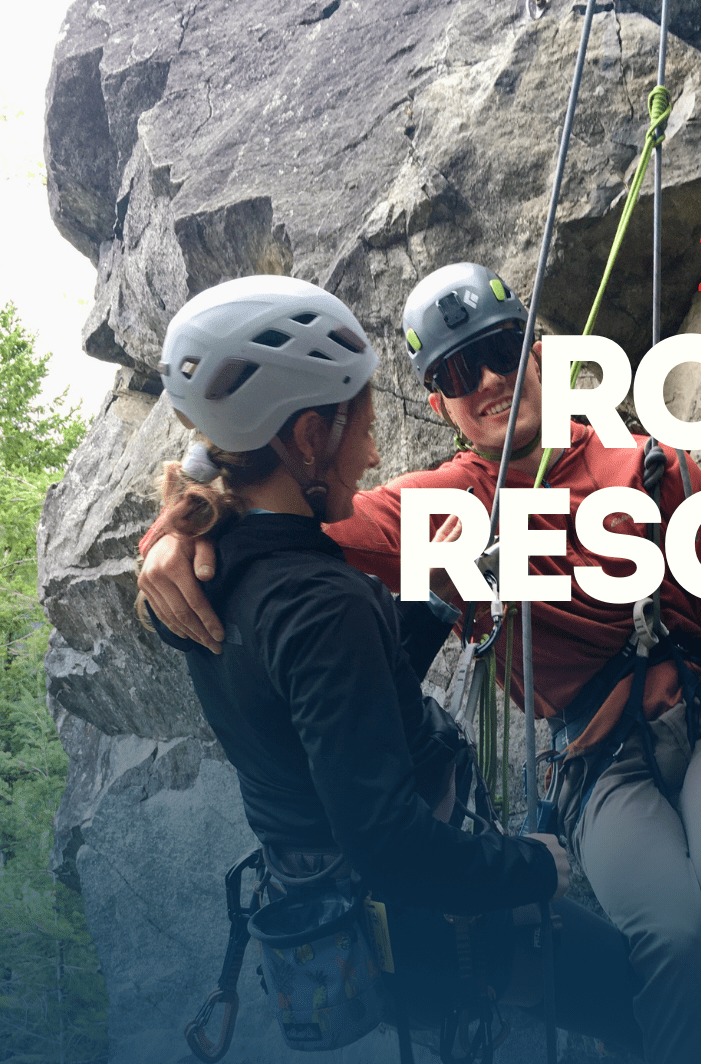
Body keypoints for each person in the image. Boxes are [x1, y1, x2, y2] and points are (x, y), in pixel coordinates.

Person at [141, 264, 701, 1064]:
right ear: (440, 403)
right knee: (671, 932)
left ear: (543, 353)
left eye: (502, 349)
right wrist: (176, 532)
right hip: (599, 758)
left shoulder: (651, 466)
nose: (487, 378)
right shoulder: (439, 509)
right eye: (458, 370)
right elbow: (270, 532)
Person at [141, 274, 641, 1057]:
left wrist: (429, 609)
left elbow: (328, 712)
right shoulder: (320, 604)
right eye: (362, 427)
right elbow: (392, 847)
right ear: (308, 437)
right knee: (629, 992)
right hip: (430, 915)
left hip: (336, 902)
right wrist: (531, 868)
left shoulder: (213, 568)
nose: (372, 452)